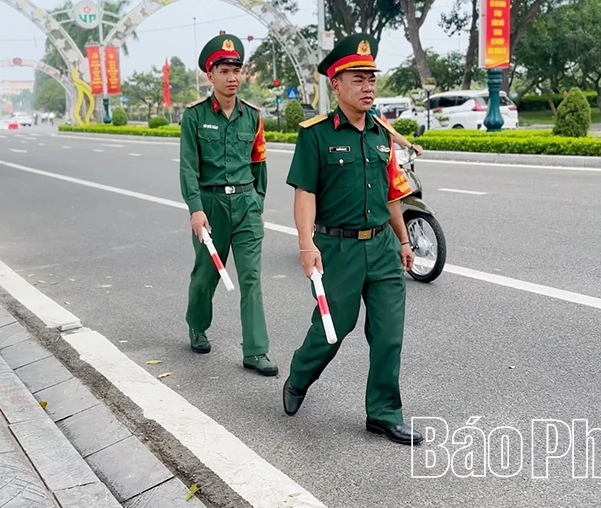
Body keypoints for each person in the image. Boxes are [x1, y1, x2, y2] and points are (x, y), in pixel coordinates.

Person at [282, 33, 423, 445]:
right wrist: (306, 244)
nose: (368, 87)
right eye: (357, 79)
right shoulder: (316, 135)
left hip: (381, 247)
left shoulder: (380, 134)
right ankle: (300, 375)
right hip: (337, 249)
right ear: (336, 84)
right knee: (333, 329)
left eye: (371, 79)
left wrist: (403, 241)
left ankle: (383, 412)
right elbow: (305, 193)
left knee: (388, 333)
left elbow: (392, 193)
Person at [178, 33, 276, 377]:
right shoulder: (194, 116)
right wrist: (196, 208)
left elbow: (259, 163)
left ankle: (256, 350)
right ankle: (197, 324)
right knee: (206, 275)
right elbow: (188, 166)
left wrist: (257, 202)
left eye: (236, 69)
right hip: (211, 203)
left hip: (246, 205)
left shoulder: (253, 116)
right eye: (224, 70)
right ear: (210, 75)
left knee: (251, 278)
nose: (232, 77)